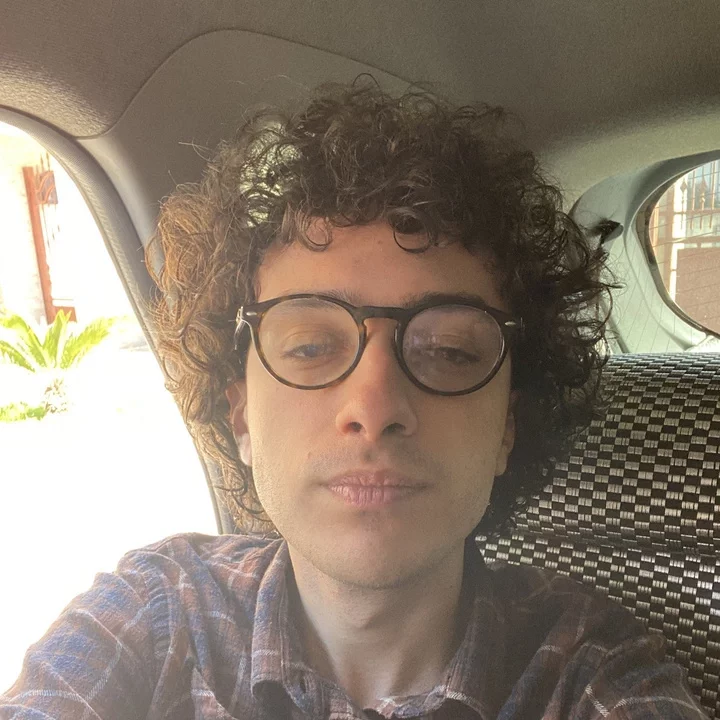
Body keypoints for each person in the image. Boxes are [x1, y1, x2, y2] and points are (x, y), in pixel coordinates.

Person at [0, 81, 707, 719]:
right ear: (241, 414)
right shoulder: (154, 613)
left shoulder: (588, 670)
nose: (374, 405)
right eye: (311, 346)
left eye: (449, 350)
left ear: (507, 428)